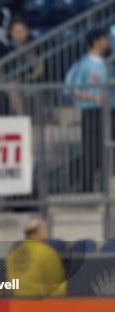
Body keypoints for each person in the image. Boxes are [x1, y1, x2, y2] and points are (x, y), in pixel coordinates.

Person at [65, 28, 111, 193]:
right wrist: (94, 98)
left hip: (108, 112)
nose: (108, 41)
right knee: (91, 149)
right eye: (105, 38)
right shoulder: (82, 64)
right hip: (91, 112)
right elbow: (70, 88)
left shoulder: (106, 64)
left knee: (105, 149)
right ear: (96, 41)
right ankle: (86, 187)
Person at [6, 218, 67, 297]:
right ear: (40, 232)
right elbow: (56, 282)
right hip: (40, 302)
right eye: (45, 230)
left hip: (18, 302)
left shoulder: (12, 254)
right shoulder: (47, 252)